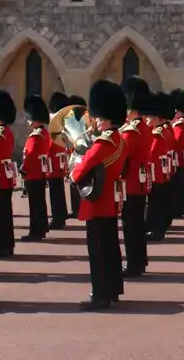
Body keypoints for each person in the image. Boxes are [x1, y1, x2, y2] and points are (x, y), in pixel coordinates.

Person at [69, 79, 129, 311]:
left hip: (97, 199)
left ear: (104, 118)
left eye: (98, 118)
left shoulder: (103, 143)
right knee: (111, 246)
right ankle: (112, 289)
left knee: (98, 250)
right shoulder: (118, 140)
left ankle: (101, 295)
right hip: (109, 200)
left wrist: (73, 173)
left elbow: (82, 169)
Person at [119, 77, 152, 276]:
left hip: (129, 184)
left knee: (131, 227)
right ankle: (140, 262)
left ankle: (134, 265)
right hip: (139, 183)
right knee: (138, 225)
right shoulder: (144, 128)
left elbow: (121, 159)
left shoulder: (130, 132)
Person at [20, 95, 52, 242]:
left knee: (35, 205)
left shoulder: (36, 136)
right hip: (40, 172)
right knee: (40, 202)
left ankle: (36, 231)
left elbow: (30, 156)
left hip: (33, 174)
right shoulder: (44, 133)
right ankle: (42, 227)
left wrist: (23, 170)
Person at [0, 89, 18, 258]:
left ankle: (2, 246)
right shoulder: (5, 131)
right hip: (4, 177)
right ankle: (6, 245)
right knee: (4, 213)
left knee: (0, 215)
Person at [145, 93, 174, 241]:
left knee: (155, 202)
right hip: (162, 170)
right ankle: (158, 227)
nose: (148, 120)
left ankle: (155, 229)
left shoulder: (158, 134)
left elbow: (151, 155)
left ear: (157, 118)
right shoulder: (166, 130)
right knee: (160, 201)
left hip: (156, 172)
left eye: (150, 118)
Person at [46, 92, 71, 228]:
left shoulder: (55, 122)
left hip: (52, 161)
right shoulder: (63, 121)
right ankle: (61, 215)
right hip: (60, 159)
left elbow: (51, 143)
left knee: (54, 192)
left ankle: (57, 218)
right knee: (59, 190)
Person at [169, 88, 184, 219]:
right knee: (179, 181)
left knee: (177, 182)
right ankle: (180, 207)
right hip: (178, 157)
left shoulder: (180, 124)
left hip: (176, 157)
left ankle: (178, 208)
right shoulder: (181, 122)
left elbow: (177, 141)